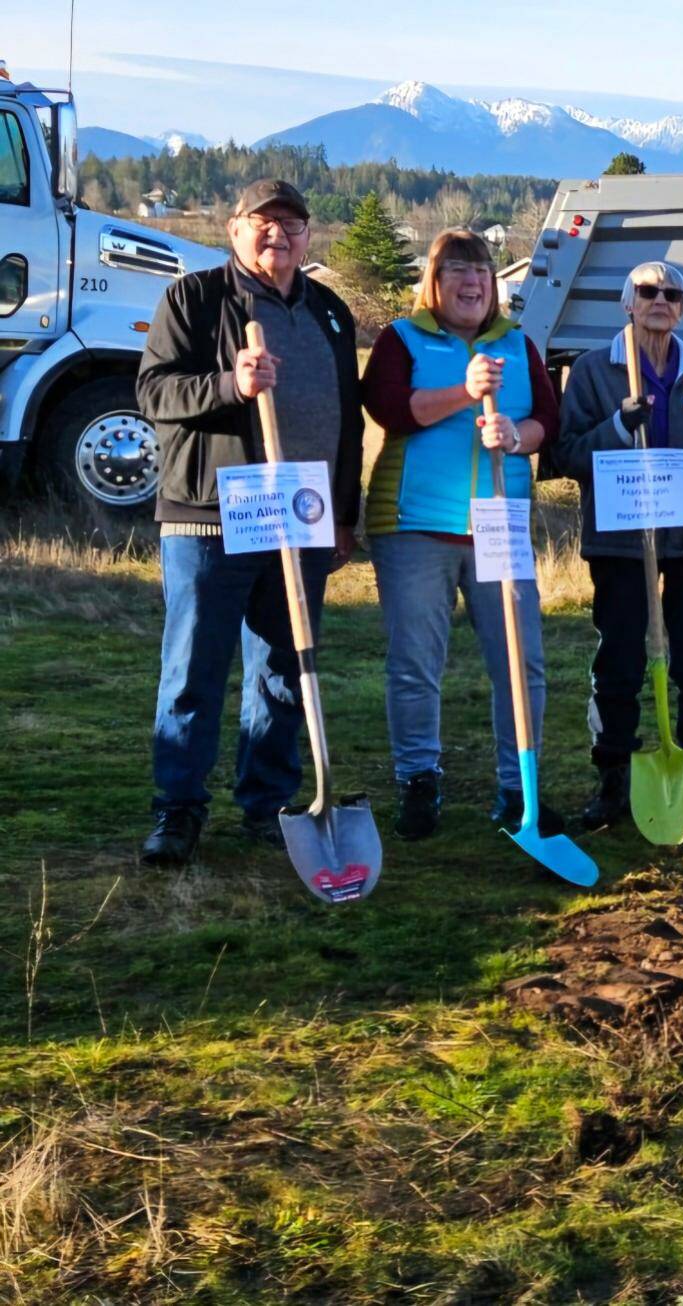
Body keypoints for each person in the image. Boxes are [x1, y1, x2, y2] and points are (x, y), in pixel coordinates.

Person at [137, 179, 364, 867]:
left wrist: (344, 515)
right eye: (262, 223)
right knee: (194, 667)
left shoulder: (328, 311)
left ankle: (266, 804)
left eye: (292, 223)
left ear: (308, 235)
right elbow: (151, 391)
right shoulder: (195, 299)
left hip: (300, 514)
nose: (279, 234)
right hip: (212, 515)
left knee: (283, 668)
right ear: (233, 230)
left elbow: (348, 421)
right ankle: (178, 810)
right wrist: (231, 384)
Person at [360, 228, 561, 841]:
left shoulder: (519, 344)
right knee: (417, 663)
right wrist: (463, 393)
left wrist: (516, 438)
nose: (471, 282)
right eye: (456, 271)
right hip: (415, 525)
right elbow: (387, 408)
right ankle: (418, 782)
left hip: (498, 526)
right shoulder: (401, 338)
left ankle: (516, 787)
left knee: (521, 664)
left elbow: (547, 420)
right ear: (434, 283)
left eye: (481, 271)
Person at [551, 260, 683, 830]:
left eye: (671, 293)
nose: (659, 299)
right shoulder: (593, 371)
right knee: (620, 661)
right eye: (647, 290)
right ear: (627, 303)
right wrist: (615, 426)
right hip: (620, 542)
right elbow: (565, 453)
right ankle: (612, 777)